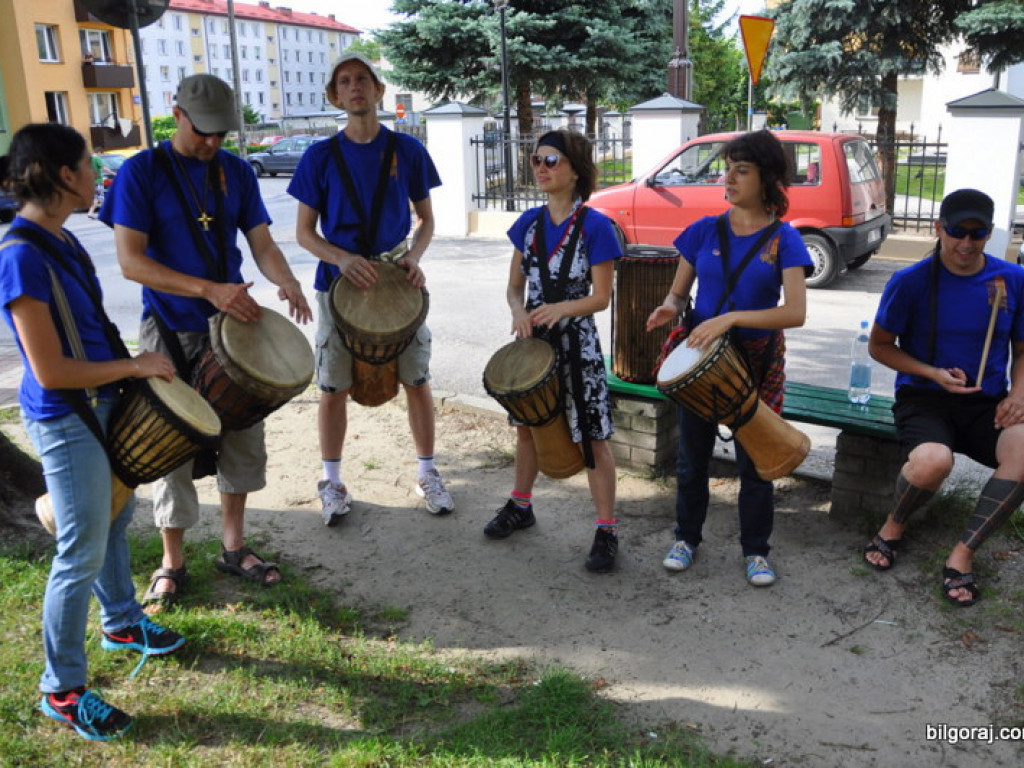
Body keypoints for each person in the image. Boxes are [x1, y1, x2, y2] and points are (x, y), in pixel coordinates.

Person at [0, 123, 185, 741]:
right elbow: (50, 371)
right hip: (64, 417)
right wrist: (135, 364)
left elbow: (89, 329)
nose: (97, 174)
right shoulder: (21, 255)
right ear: (62, 176)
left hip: (98, 405)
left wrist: (128, 377)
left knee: (111, 520)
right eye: (87, 164)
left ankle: (123, 622)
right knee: (79, 550)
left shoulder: (63, 240)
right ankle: (63, 690)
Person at [100, 74, 312, 610]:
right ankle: (172, 559)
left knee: (241, 432)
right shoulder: (141, 172)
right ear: (179, 114)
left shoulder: (236, 171)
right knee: (169, 445)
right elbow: (130, 262)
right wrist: (206, 290)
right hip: (169, 328)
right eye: (204, 131)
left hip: (234, 328)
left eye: (222, 132)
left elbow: (261, 242)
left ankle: (233, 545)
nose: (213, 142)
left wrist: (284, 278)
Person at [288, 52, 453, 524]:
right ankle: (332, 482)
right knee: (333, 385)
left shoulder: (408, 151)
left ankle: (427, 473)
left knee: (417, 379)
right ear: (335, 96)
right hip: (337, 288)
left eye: (363, 79)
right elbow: (303, 232)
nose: (355, 86)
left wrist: (413, 258)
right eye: (345, 81)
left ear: (379, 90)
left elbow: (426, 220)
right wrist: (341, 259)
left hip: (397, 285)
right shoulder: (319, 156)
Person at [645, 129, 811, 587]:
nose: (729, 178)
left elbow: (794, 312)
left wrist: (732, 318)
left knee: (755, 461)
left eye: (742, 169)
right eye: (728, 168)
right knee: (691, 459)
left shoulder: (784, 240)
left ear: (767, 177)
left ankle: (756, 551)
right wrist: (669, 307)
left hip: (755, 364)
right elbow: (680, 295)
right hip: (702, 362)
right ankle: (686, 537)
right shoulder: (703, 231)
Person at [863, 188, 1024, 607]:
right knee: (935, 460)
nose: (966, 243)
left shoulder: (1013, 280)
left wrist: (1019, 394)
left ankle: (963, 553)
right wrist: (932, 372)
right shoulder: (911, 281)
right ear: (939, 229)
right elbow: (879, 346)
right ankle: (893, 526)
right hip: (924, 398)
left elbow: (1023, 351)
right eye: (956, 231)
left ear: (989, 233)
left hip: (986, 402)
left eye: (977, 233)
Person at [483, 129, 624, 572]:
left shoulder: (597, 226)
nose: (540, 168)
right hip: (534, 346)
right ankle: (521, 505)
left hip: (577, 346)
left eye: (551, 160)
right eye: (536, 160)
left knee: (593, 437)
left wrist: (559, 309)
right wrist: (518, 311)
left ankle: (606, 530)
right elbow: (513, 288)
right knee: (527, 427)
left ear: (576, 171)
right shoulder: (527, 225)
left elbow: (601, 298)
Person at [86, 150, 103, 219]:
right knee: (99, 198)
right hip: (98, 181)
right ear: (99, 152)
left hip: (91, 181)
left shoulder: (87, 160)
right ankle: (91, 212)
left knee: (97, 198)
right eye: (101, 154)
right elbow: (103, 167)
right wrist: (113, 173)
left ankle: (92, 212)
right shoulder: (97, 158)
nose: (101, 156)